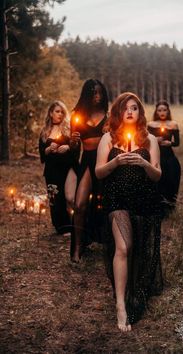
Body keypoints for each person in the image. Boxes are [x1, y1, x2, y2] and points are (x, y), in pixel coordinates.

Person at [95, 92, 163, 332]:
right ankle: (120, 304)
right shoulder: (108, 138)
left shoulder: (150, 139)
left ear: (140, 112)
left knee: (141, 250)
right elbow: (99, 173)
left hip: (144, 200)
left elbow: (157, 175)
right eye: (126, 108)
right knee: (124, 247)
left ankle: (135, 291)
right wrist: (116, 162)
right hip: (118, 200)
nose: (130, 112)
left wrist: (144, 163)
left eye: (134, 108)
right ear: (118, 112)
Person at [66, 79, 109, 263]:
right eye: (93, 93)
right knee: (79, 205)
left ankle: (110, 244)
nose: (97, 96)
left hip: (104, 161)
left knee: (107, 204)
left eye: (100, 92)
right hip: (87, 160)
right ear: (86, 94)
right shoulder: (77, 116)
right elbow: (74, 148)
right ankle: (77, 248)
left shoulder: (108, 116)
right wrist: (73, 142)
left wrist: (110, 133)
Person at [39, 100, 79, 235]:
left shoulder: (69, 128)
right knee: (55, 199)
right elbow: (42, 155)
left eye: (62, 112)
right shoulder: (45, 132)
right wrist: (49, 149)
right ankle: (62, 227)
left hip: (68, 166)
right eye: (57, 111)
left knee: (70, 198)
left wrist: (68, 147)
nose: (60, 114)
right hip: (52, 170)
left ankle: (79, 224)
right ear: (51, 113)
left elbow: (76, 148)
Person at [148, 100, 181, 218]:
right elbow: (146, 142)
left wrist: (169, 143)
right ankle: (158, 209)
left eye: (164, 110)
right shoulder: (151, 124)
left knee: (171, 182)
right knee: (158, 183)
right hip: (156, 157)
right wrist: (154, 140)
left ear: (168, 111)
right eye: (160, 110)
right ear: (156, 112)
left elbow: (177, 143)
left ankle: (169, 209)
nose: (162, 112)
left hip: (169, 158)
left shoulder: (173, 124)